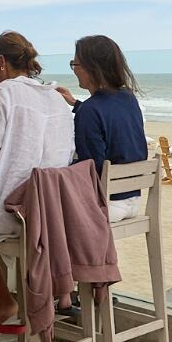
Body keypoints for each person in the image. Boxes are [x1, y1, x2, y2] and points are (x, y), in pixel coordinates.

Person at [0, 31, 76, 326]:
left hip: (6, 214)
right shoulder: (56, 99)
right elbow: (66, 154)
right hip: (44, 217)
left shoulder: (6, 93)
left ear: (2, 62)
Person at [56, 35, 147, 223]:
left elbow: (90, 168)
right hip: (133, 200)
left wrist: (57, 168)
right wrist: (75, 103)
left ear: (92, 68)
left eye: (75, 65)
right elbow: (109, 116)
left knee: (44, 211)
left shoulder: (90, 111)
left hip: (107, 204)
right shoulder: (128, 98)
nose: (74, 71)